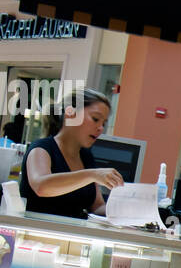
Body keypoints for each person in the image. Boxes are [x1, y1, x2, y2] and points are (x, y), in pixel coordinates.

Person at [19, 89, 122, 218]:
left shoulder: (86, 156)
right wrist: (92, 174)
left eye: (104, 123)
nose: (101, 128)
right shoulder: (42, 148)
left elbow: (97, 206)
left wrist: (126, 210)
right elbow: (41, 187)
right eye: (96, 119)